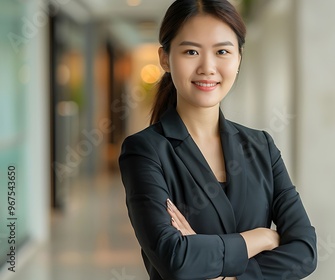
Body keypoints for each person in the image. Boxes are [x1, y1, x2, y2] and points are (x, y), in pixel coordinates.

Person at [119, 0, 317, 279]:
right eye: (191, 51)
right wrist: (261, 238)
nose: (207, 67)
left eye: (222, 51)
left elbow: (305, 252)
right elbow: (175, 259)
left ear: (239, 58)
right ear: (165, 58)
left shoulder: (261, 146)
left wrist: (226, 274)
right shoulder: (145, 151)